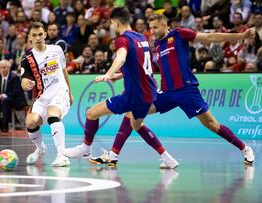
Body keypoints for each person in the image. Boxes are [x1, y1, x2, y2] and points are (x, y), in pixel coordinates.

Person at [90, 14, 255, 167]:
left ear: (164, 25)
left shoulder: (179, 34)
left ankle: (244, 148)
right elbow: (145, 69)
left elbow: (209, 37)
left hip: (187, 91)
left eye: (155, 27)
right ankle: (113, 155)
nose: (152, 31)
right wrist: (119, 76)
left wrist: (240, 36)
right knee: (132, 114)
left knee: (211, 124)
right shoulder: (157, 44)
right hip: (166, 93)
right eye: (151, 28)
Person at [63, 8, 179, 169]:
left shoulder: (122, 39)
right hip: (149, 93)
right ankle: (167, 158)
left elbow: (121, 57)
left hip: (134, 95)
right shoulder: (141, 37)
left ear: (116, 22)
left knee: (91, 113)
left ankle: (85, 148)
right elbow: (139, 65)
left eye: (112, 23)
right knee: (136, 124)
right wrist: (120, 75)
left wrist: (109, 74)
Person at [21, 22, 73, 167]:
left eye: (40, 34)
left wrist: (70, 92)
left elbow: (64, 71)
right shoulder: (28, 59)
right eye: (34, 35)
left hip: (60, 91)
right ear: (30, 38)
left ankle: (61, 155)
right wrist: (26, 84)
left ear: (45, 35)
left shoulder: (56, 50)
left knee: (52, 114)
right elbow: (24, 79)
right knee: (31, 122)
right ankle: (40, 148)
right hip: (42, 97)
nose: (38, 38)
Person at [0, 59, 26, 132]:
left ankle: (5, 125)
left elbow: (16, 92)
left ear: (8, 68)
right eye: (1, 67)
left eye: (4, 67)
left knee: (6, 101)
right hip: (3, 99)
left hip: (14, 100)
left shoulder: (14, 77)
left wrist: (3, 96)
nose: (2, 69)